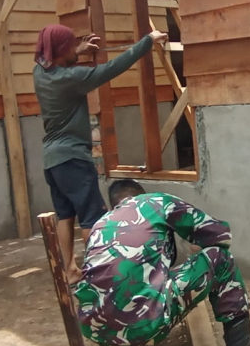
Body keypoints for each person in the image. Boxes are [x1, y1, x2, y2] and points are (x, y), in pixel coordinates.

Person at [74, 179, 250, 346]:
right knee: (220, 257)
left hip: (94, 328)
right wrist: (200, 245)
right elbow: (220, 234)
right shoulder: (156, 202)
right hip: (145, 326)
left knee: (114, 282)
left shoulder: (99, 226)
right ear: (141, 195)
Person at [33, 25, 168, 283]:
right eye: (71, 46)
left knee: (65, 215)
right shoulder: (71, 79)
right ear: (61, 51)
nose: (76, 49)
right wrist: (147, 41)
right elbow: (111, 69)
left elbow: (52, 59)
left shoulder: (39, 72)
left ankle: (70, 269)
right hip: (72, 158)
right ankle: (100, 275)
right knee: (91, 218)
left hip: (52, 160)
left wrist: (79, 50)